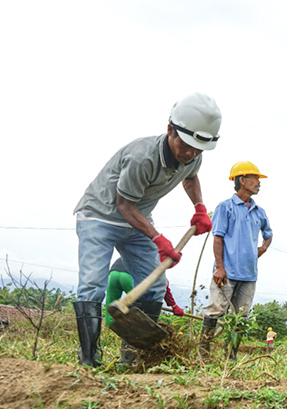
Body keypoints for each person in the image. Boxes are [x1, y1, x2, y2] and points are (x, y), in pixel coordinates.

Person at [72, 92, 222, 367]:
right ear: (170, 131)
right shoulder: (143, 157)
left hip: (137, 219)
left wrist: (199, 206)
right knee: (92, 286)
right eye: (187, 145)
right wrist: (158, 238)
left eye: (198, 149)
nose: (191, 154)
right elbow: (124, 205)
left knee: (154, 287)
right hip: (100, 217)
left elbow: (190, 177)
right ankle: (89, 361)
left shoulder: (193, 156)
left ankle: (133, 357)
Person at [199, 161, 273, 361]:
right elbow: (218, 238)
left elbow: (268, 234)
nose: (259, 182)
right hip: (226, 272)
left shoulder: (259, 211)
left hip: (249, 274)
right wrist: (219, 267)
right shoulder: (225, 208)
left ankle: (230, 356)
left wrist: (263, 248)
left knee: (241, 317)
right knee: (216, 310)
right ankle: (203, 355)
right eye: (255, 178)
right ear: (242, 180)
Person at [104, 257, 185, 327]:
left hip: (113, 273)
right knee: (139, 305)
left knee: (110, 304)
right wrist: (174, 306)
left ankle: (107, 328)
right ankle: (133, 336)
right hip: (128, 276)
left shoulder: (145, 253)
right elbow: (163, 285)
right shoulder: (157, 262)